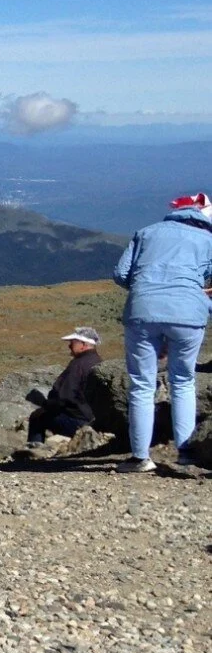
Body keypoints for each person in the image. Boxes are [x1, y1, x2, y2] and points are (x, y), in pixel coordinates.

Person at [112, 193, 212, 472]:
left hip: (142, 311)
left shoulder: (146, 233)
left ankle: (139, 457)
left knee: (142, 384)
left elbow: (121, 274)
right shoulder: (208, 240)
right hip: (188, 313)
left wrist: (148, 286)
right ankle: (186, 452)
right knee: (183, 380)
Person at [26, 326, 102, 444]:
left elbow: (65, 397)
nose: (69, 346)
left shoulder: (78, 366)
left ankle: (33, 452)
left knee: (37, 416)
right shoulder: (97, 361)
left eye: (72, 343)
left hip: (79, 421)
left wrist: (44, 404)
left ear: (83, 345)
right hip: (94, 420)